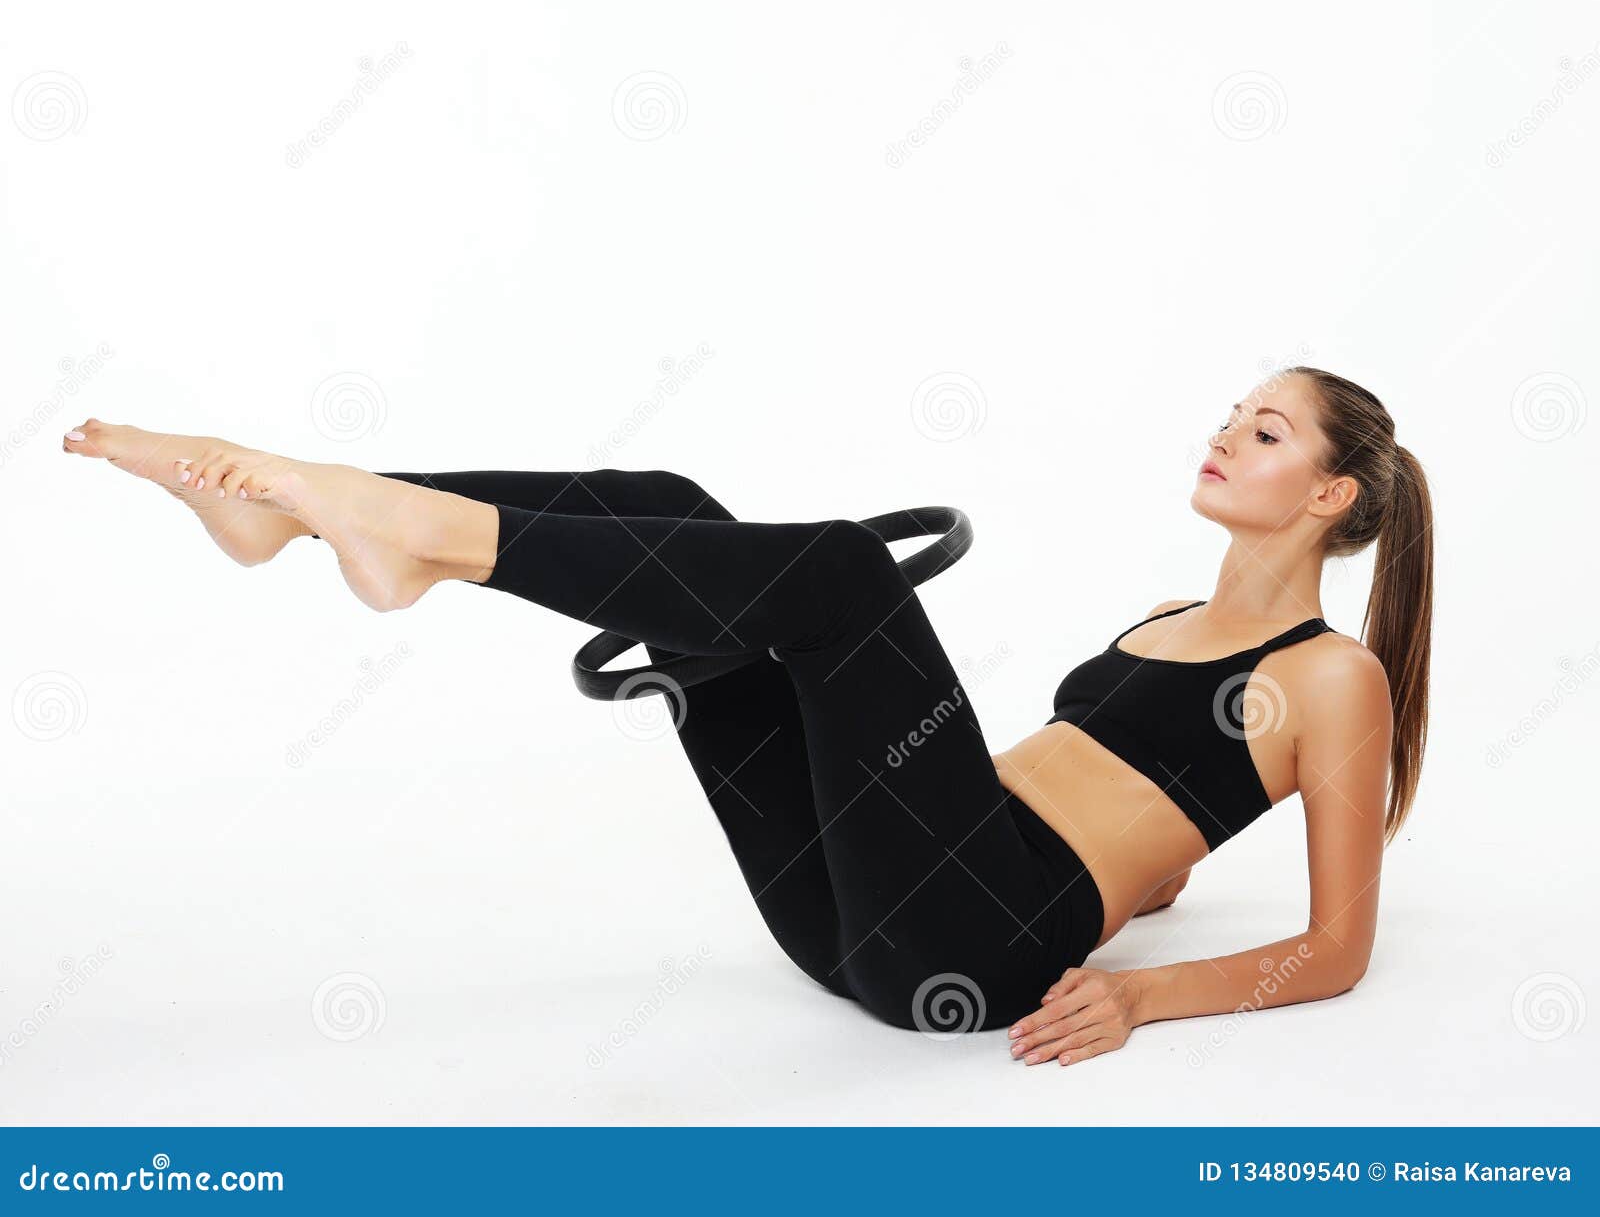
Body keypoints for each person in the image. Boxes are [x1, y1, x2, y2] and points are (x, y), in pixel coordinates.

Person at [60, 365, 1431, 1067]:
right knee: (677, 509)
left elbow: (1333, 950)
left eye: (1266, 432)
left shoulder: (1334, 675)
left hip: (974, 942)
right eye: (1234, 411)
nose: (1226, 431)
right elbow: (1169, 807)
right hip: (854, 918)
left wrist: (1133, 993)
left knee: (839, 574)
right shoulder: (1161, 621)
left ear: (1330, 499)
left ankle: (406, 534)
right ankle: (304, 511)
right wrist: (1155, 879)